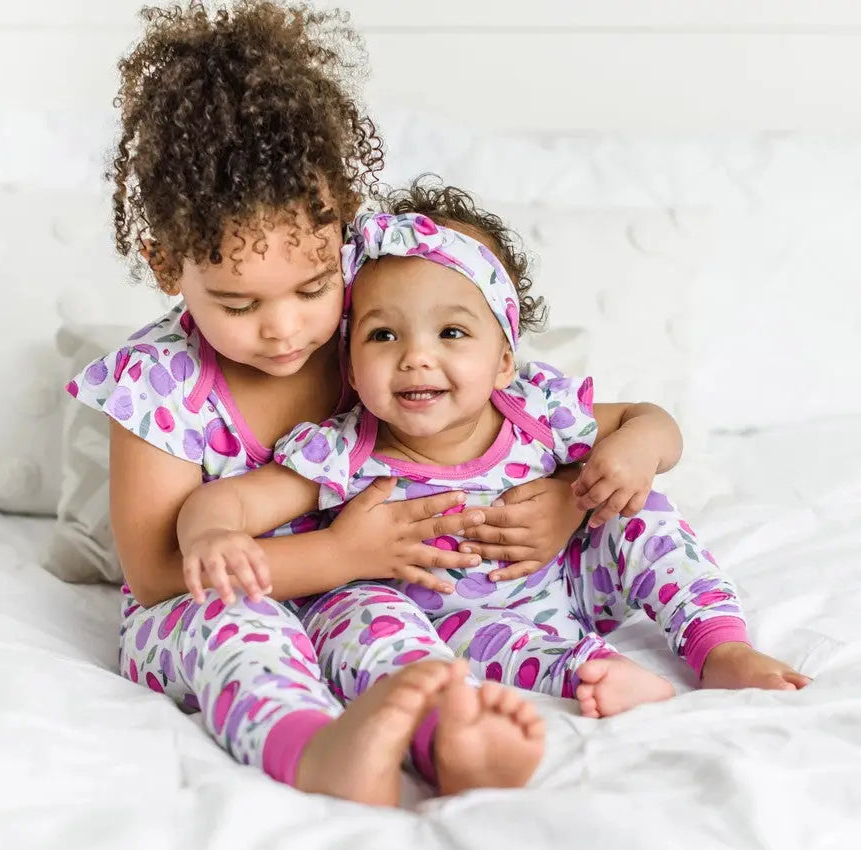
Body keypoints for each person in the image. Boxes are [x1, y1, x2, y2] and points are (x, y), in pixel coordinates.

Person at [69, 4, 571, 806]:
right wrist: (338, 556)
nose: (284, 328)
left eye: (312, 286)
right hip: (207, 601)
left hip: (362, 583)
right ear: (168, 264)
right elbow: (161, 576)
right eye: (237, 304)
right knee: (244, 633)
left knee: (391, 626)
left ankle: (450, 738)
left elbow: (520, 405)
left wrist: (571, 502)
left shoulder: (371, 330)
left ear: (345, 233)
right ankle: (312, 750)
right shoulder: (155, 383)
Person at [179, 179, 812, 732]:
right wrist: (211, 533)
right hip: (452, 617)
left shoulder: (538, 409)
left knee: (639, 511)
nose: (416, 356)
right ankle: (585, 673)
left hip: (572, 582)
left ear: (504, 359)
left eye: (451, 332)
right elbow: (231, 498)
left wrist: (635, 451)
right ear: (349, 361)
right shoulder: (345, 450)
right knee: (379, 619)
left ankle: (717, 645)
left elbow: (653, 423)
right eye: (382, 334)